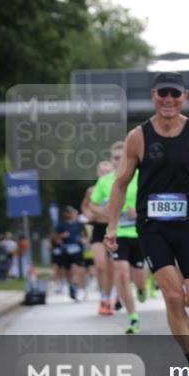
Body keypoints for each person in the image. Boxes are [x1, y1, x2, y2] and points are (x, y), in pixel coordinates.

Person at [105, 72, 189, 376]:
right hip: (153, 230)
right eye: (163, 94)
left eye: (175, 93)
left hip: (188, 227)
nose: (169, 100)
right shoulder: (138, 137)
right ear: (154, 96)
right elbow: (120, 183)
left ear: (184, 96)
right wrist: (112, 225)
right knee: (173, 296)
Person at [94, 142, 146, 331]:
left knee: (139, 280)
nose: (118, 161)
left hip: (139, 233)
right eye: (115, 158)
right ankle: (133, 317)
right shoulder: (105, 181)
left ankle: (141, 289)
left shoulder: (140, 176)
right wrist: (104, 213)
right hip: (118, 235)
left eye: (122, 157)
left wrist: (139, 214)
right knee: (122, 274)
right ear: (112, 160)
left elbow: (153, 202)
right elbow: (93, 204)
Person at [83, 161, 116, 315]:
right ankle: (103, 296)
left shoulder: (116, 187)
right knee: (100, 266)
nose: (105, 174)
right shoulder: (92, 190)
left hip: (113, 229)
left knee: (111, 269)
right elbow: (85, 206)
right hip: (98, 229)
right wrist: (89, 214)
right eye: (102, 171)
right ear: (97, 173)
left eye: (108, 171)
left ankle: (109, 297)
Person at [54, 206, 86, 299]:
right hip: (65, 250)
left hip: (77, 249)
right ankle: (71, 285)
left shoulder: (79, 224)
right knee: (68, 270)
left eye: (70, 212)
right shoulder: (61, 225)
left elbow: (84, 237)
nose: (69, 214)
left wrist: (83, 240)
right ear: (65, 214)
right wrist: (61, 236)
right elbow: (55, 239)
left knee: (75, 267)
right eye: (67, 212)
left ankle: (76, 285)